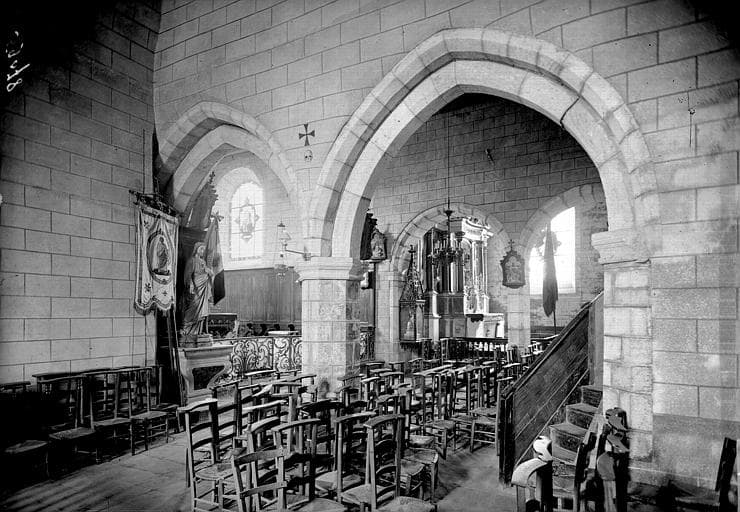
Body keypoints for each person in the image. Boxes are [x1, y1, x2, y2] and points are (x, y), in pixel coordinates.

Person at [181, 242, 213, 339]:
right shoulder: (192, 260)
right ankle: (187, 329)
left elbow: (207, 273)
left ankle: (198, 332)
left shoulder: (203, 262)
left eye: (204, 249)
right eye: (201, 249)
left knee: (202, 309)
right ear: (196, 249)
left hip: (203, 287)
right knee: (194, 307)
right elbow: (188, 275)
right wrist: (190, 284)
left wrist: (209, 272)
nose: (203, 251)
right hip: (196, 287)